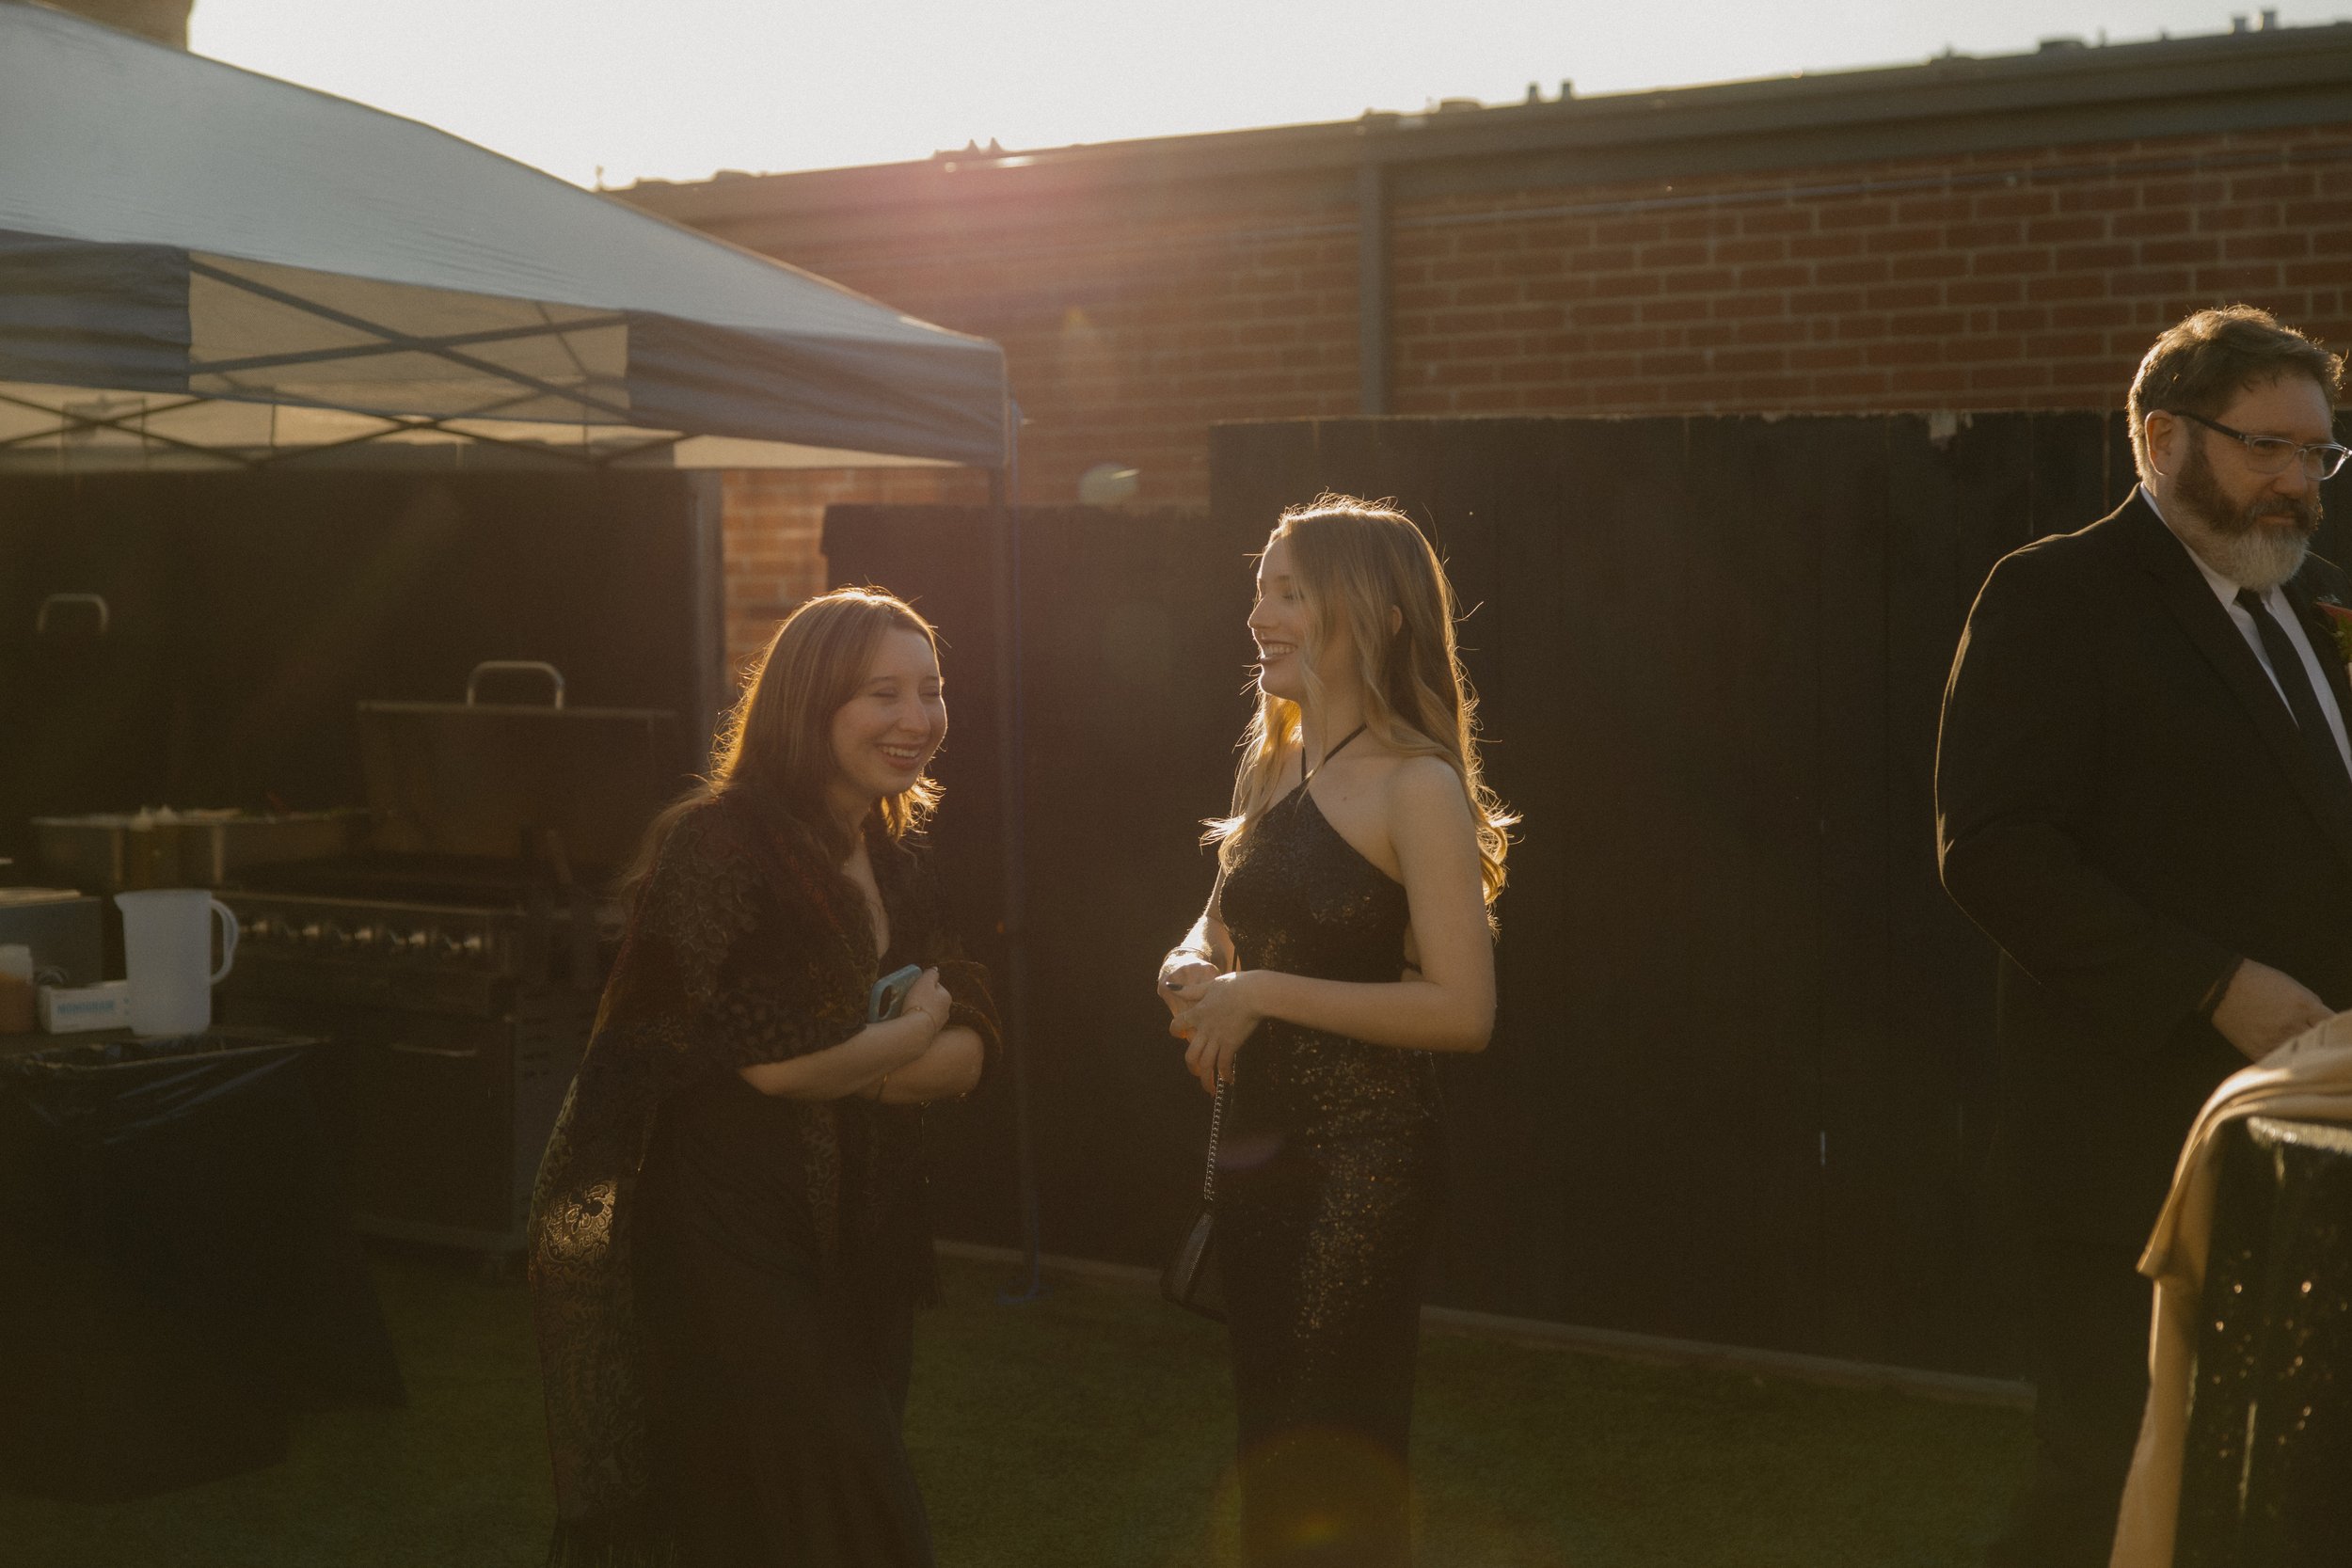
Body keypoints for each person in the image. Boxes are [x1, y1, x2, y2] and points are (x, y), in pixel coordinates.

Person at [1936, 306, 2352, 1567]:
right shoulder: (2056, 594)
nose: (2298, 482)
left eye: (2318, 453)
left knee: (2278, 1490)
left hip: (2313, 1139)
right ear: (2163, 438)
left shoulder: (2320, 601)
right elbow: (1994, 846)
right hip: (2127, 1142)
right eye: (2266, 446)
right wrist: (2213, 983)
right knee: (2110, 1480)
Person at [527, 587, 997, 1568]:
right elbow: (775, 1065)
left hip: (862, 1241)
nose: (917, 718)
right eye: (882, 693)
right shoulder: (718, 843)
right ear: (808, 702)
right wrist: (913, 1028)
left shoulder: (899, 856)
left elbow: (975, 1047)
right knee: (853, 1516)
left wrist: (867, 1061)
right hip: (725, 1237)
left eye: (931, 689)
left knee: (763, 1520)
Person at [1155, 495, 1513, 1568]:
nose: (1258, 614)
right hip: (1256, 1159)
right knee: (1270, 1443)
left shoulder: (1418, 785)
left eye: (1290, 592)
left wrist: (1260, 992)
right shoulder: (1274, 762)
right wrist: (1187, 968)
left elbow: (1463, 1009)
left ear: (1378, 614)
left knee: (1333, 1451)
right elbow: (1217, 923)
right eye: (1260, 588)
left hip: (1365, 1167)